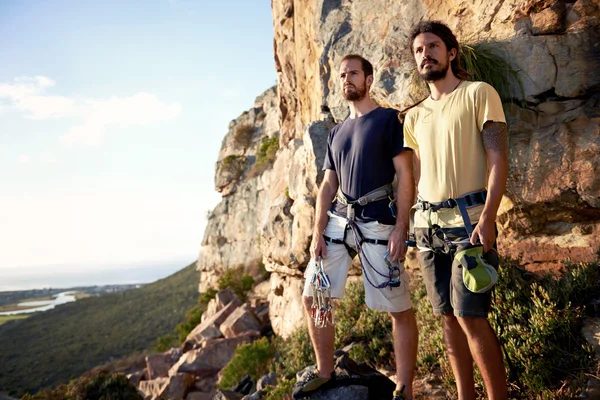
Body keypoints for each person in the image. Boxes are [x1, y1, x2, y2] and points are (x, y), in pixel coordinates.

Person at [293, 54, 418, 400]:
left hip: (378, 222)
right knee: (312, 296)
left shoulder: (390, 120)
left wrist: (401, 227)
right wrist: (318, 230)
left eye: (353, 73)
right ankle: (325, 372)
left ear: (369, 78)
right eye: (342, 74)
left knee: (398, 308)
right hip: (338, 221)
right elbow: (328, 186)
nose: (347, 79)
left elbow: (406, 177)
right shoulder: (335, 132)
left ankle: (404, 388)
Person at [402, 21, 509, 400]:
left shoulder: (479, 93)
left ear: (451, 52)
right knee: (447, 316)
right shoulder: (414, 117)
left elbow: (498, 159)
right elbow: (412, 178)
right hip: (428, 229)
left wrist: (489, 217)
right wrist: (404, 227)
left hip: (470, 224)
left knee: (470, 316)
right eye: (418, 50)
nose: (425, 54)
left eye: (432, 46)